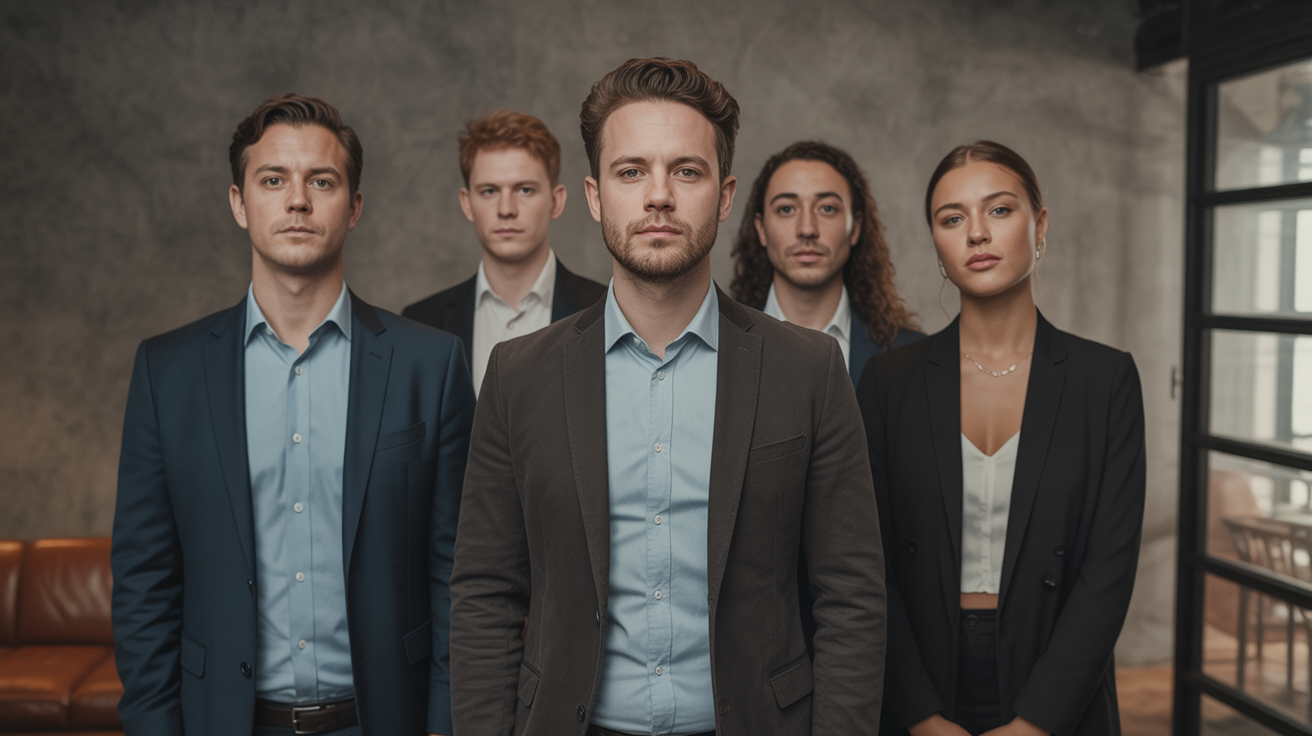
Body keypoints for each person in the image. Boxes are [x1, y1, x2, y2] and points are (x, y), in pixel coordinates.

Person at [450, 57, 887, 736]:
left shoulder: (809, 370)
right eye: (632, 172)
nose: (659, 196)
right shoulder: (518, 375)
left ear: (724, 194)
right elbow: (484, 593)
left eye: (686, 171)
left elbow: (852, 595)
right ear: (595, 196)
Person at [111, 93, 475, 736]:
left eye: (322, 181)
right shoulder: (167, 374)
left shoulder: (432, 367)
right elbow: (144, 586)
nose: (298, 200)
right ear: (238, 203)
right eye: (272, 179)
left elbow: (459, 581)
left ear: (354, 207)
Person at [858, 141, 1145, 736]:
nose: (977, 234)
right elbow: (869, 563)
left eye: (1000, 210)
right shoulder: (889, 382)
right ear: (937, 245)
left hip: (1056, 681)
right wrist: (918, 714)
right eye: (952, 218)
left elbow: (1107, 571)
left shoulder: (1105, 379)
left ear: (1040, 226)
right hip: (921, 680)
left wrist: (1038, 722)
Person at [403, 110, 606, 396]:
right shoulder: (420, 323)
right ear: (467, 203)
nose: (506, 209)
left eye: (524, 190)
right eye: (489, 191)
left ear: (556, 201)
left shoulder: (604, 311)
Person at [731, 141, 922, 383]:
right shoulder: (720, 344)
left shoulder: (911, 355)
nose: (807, 229)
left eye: (828, 208)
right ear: (761, 229)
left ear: (856, 227)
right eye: (787, 209)